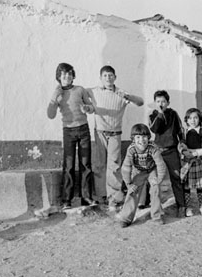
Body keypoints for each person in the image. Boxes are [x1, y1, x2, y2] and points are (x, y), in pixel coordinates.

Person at [89, 65, 144, 211]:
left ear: (115, 77)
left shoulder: (121, 93)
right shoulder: (93, 92)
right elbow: (80, 95)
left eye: (111, 75)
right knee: (100, 165)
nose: (108, 78)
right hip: (100, 132)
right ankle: (101, 197)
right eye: (105, 75)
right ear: (101, 78)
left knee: (113, 166)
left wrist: (127, 96)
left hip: (115, 133)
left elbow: (140, 102)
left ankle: (114, 199)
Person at [47, 63, 97, 210]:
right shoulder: (57, 93)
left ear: (73, 75)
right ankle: (66, 199)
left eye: (69, 74)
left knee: (85, 163)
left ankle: (86, 197)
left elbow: (91, 108)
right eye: (63, 75)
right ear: (59, 77)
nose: (67, 77)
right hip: (68, 131)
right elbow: (50, 115)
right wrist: (54, 98)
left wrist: (87, 108)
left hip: (83, 129)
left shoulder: (80, 90)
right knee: (68, 165)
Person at [118, 124, 167, 228]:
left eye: (144, 136)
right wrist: (129, 184)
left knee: (155, 189)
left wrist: (158, 179)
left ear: (148, 137)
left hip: (151, 170)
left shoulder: (153, 148)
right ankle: (126, 218)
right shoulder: (131, 149)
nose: (141, 140)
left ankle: (157, 216)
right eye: (138, 137)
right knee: (133, 190)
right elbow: (126, 167)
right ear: (133, 139)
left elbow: (161, 164)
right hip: (138, 170)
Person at [148, 90, 186, 218]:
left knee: (177, 178)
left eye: (163, 101)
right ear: (155, 103)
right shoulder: (153, 115)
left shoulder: (173, 114)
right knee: (155, 179)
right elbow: (154, 129)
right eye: (158, 101)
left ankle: (181, 205)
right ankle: (154, 206)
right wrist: (159, 114)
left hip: (172, 151)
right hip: (158, 151)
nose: (161, 104)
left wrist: (182, 142)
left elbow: (180, 130)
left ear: (168, 102)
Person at [180, 108, 202, 217]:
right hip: (187, 161)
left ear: (199, 119)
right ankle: (188, 207)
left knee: (199, 185)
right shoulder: (184, 132)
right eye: (190, 118)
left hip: (198, 160)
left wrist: (195, 153)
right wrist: (184, 151)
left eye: (195, 118)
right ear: (187, 120)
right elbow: (181, 145)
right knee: (187, 185)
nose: (193, 120)